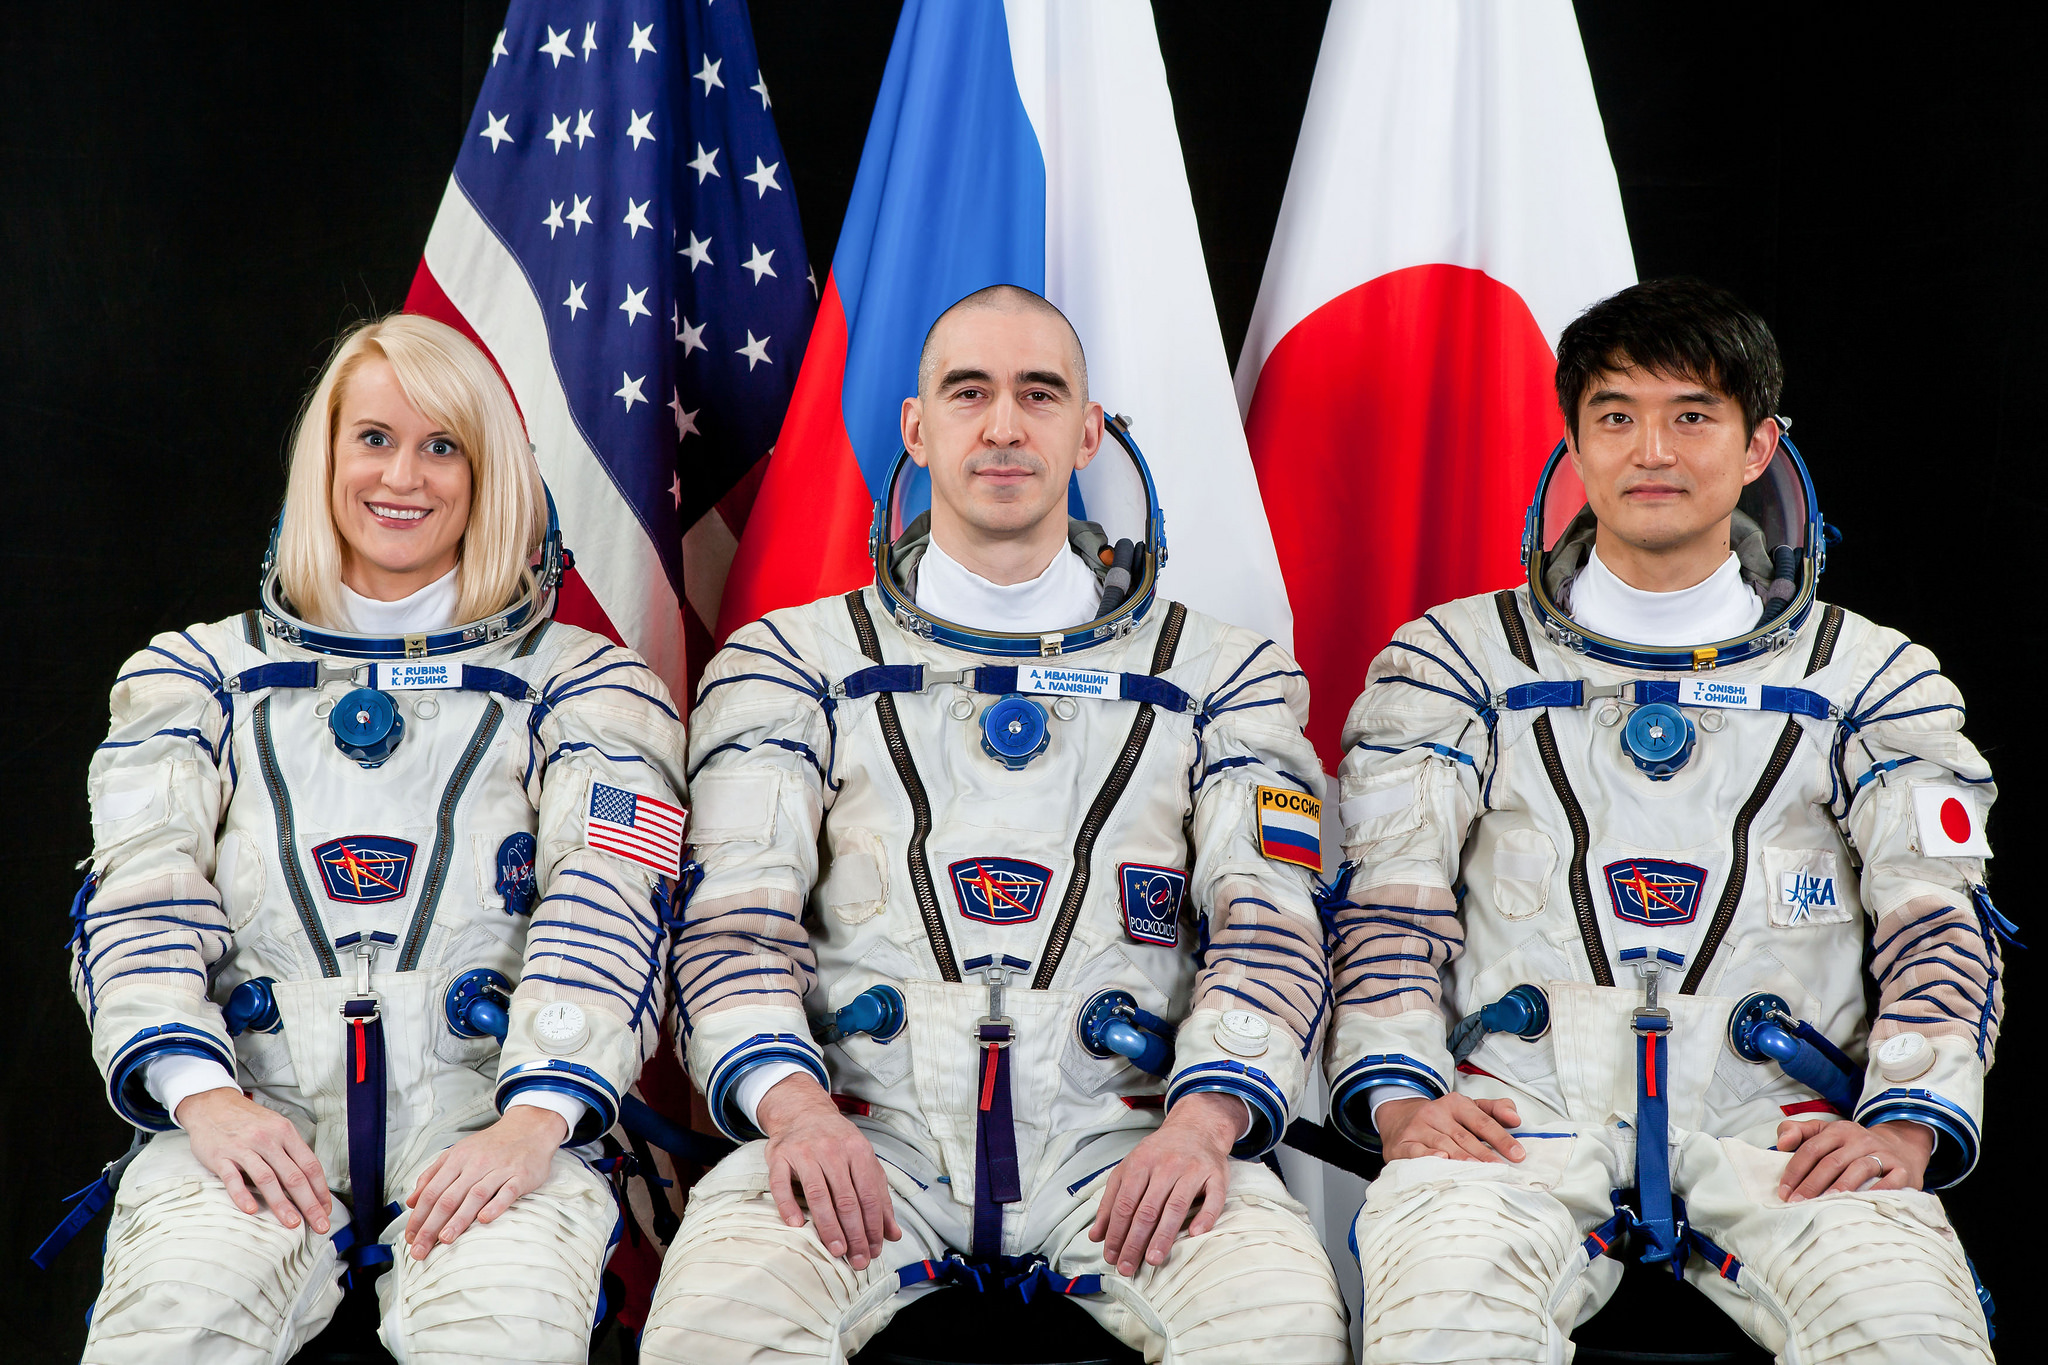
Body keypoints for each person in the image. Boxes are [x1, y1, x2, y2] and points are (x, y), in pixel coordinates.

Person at [637, 285, 1349, 1364]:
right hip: (861, 1134)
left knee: (1283, 1327)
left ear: (1087, 429)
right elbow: (735, 924)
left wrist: (1204, 1123)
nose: (1004, 426)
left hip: (1133, 1134)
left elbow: (1268, 926)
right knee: (710, 1327)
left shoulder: (1219, 675)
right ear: (917, 431)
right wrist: (793, 1110)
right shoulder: (793, 665)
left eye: (1039, 393)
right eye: (968, 394)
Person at [1324, 277, 2000, 1364]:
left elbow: (1934, 919)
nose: (1651, 449)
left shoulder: (1871, 676)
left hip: (1781, 1126)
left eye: (1691, 416)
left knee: (1911, 1336)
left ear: (1754, 447)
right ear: (1573, 444)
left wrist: (1907, 1116)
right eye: (1615, 416)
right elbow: (1389, 902)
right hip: (1516, 1118)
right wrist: (1402, 1093)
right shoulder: (1452, 663)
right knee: (1439, 1336)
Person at [69, 313, 686, 1363]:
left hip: (490, 1133)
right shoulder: (193, 677)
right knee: (163, 1334)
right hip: (245, 1129)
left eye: (443, 445)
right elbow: (140, 899)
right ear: (326, 458)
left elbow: (612, 907)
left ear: (488, 474)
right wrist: (204, 1098)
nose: (404, 475)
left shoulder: (586, 685)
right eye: (375, 439)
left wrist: (535, 1121)